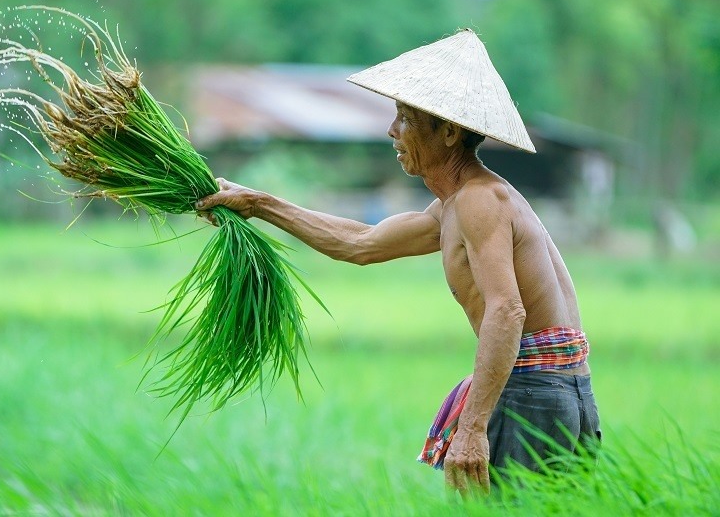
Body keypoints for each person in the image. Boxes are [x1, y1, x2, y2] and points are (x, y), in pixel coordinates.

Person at [195, 30, 600, 495]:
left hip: (536, 396)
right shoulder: (454, 207)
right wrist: (258, 203)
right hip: (554, 394)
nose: (392, 131)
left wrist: (471, 430)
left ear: (448, 132)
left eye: (405, 119)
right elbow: (360, 242)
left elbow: (507, 310)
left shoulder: (478, 202)